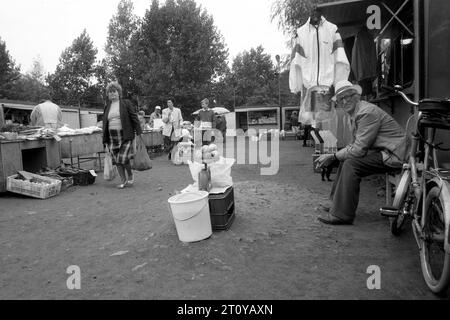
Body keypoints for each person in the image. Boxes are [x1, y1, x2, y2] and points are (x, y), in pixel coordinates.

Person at [315, 80, 409, 225]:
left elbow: (358, 150)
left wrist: (333, 156)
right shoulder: (356, 113)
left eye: (349, 96)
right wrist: (336, 156)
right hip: (386, 152)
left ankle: (342, 215)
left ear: (356, 96)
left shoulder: (366, 112)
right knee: (346, 160)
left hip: (395, 155)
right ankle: (336, 204)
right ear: (338, 103)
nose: (345, 101)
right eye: (341, 99)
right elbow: (355, 145)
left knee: (351, 165)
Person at [102, 82, 142, 189]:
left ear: (118, 92)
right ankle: (123, 181)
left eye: (114, 91)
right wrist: (104, 140)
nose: (112, 94)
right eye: (110, 92)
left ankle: (130, 175)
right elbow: (104, 123)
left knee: (123, 159)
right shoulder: (107, 106)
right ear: (108, 94)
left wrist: (139, 132)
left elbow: (134, 117)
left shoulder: (126, 103)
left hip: (125, 135)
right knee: (117, 160)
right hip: (112, 137)